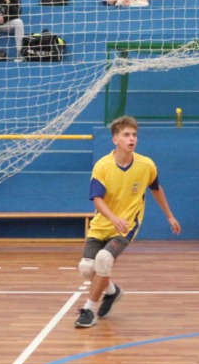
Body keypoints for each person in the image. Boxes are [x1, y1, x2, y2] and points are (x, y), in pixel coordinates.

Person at [74, 116, 181, 329]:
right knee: (86, 268)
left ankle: (88, 310)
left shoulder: (146, 165)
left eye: (134, 135)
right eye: (126, 135)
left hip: (127, 226)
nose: (131, 139)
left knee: (104, 259)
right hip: (102, 225)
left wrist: (169, 215)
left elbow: (156, 189)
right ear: (115, 139)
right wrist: (113, 218)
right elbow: (97, 199)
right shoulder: (102, 166)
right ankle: (112, 292)